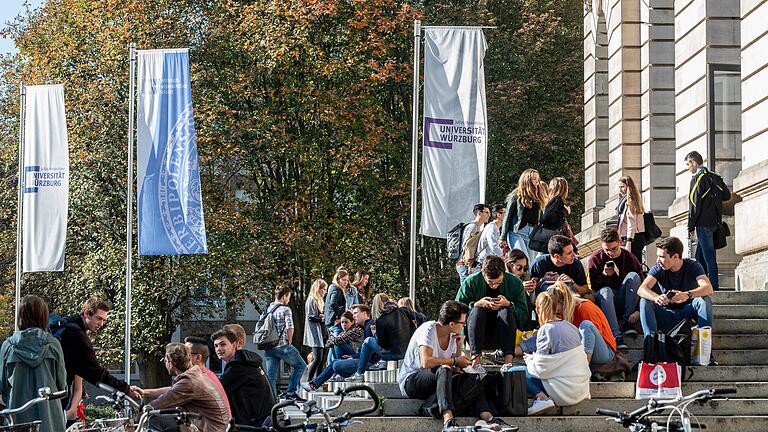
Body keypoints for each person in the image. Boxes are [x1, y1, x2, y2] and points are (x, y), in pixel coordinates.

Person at [398, 300, 517, 432]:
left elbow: (456, 370)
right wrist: (454, 360)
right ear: (451, 324)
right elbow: (426, 362)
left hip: (440, 381)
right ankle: (448, 420)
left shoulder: (453, 336)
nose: (464, 325)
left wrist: (459, 346)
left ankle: (488, 418)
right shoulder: (428, 329)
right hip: (412, 381)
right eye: (462, 323)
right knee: (444, 368)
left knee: (473, 377)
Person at [0, 295, 67, 432]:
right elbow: (62, 386)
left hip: (17, 416)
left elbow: (3, 386)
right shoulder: (53, 344)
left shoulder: (8, 346)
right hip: (49, 417)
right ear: (43, 317)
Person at [57, 296, 138, 398]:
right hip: (57, 393)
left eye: (104, 320)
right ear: (87, 313)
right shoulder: (78, 336)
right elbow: (97, 373)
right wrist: (125, 389)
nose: (101, 324)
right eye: (99, 318)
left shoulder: (66, 324)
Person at [524, 292, 591, 415]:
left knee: (517, 371)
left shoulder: (545, 330)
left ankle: (542, 398)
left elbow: (540, 368)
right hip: (580, 389)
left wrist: (529, 360)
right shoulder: (572, 327)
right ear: (556, 308)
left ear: (538, 310)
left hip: (561, 391)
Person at [455, 255, 529, 367]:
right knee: (478, 309)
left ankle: (508, 360)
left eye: (498, 282)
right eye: (490, 282)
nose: (494, 286)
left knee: (506, 309)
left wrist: (509, 304)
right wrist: (476, 304)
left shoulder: (515, 282)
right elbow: (456, 312)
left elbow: (524, 315)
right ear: (483, 274)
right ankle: (476, 359)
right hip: (477, 331)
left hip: (504, 331)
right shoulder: (470, 282)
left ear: (504, 273)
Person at [137, 343, 229, 432]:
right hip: (214, 426)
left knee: (154, 418)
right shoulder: (194, 375)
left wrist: (141, 413)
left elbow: (164, 401)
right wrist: (143, 392)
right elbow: (172, 390)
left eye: (164, 361)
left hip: (211, 429)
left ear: (170, 364)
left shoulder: (189, 382)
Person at [637, 236, 714, 337]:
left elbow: (708, 288)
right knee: (645, 301)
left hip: (687, 312)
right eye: (658, 256)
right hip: (665, 312)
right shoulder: (658, 267)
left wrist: (688, 294)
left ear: (675, 257)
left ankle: (704, 344)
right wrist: (656, 297)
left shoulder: (693, 266)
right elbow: (642, 289)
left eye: (662, 257)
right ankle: (651, 343)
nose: (658, 260)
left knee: (704, 301)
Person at [588, 227, 644, 349]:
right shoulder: (595, 259)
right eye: (606, 250)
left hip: (626, 298)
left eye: (614, 249)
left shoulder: (629, 258)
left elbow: (642, 285)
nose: (610, 253)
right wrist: (604, 275)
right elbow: (594, 287)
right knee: (606, 291)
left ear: (620, 242)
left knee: (633, 277)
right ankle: (615, 335)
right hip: (606, 299)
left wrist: (638, 309)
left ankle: (626, 323)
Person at [686, 150, 731, 290]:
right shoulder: (715, 177)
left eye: (688, 164)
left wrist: (690, 226)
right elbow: (727, 196)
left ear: (694, 163)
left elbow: (694, 205)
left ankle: (713, 288)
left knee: (709, 258)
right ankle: (699, 284)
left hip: (703, 224)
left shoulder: (697, 179)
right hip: (715, 223)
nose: (688, 168)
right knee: (699, 258)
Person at [213, 328, 275, 427]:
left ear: (234, 345)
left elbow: (215, 390)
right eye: (216, 346)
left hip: (254, 423)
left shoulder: (239, 365)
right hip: (261, 419)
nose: (218, 349)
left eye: (223, 344)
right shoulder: (246, 360)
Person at [345, 300, 416, 381]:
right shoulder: (404, 316)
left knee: (368, 341)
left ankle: (360, 373)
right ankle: (380, 362)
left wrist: (376, 334)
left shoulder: (382, 320)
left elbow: (382, 343)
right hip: (407, 351)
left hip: (393, 354)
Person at [262, 286, 307, 401]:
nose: (289, 300)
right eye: (289, 297)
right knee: (301, 365)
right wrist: (290, 340)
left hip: (269, 346)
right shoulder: (286, 309)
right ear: (284, 295)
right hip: (282, 346)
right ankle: (291, 392)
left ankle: (272, 399)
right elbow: (290, 326)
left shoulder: (270, 308)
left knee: (271, 375)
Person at [501, 168, 548, 261]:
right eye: (534, 179)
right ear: (527, 179)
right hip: (517, 232)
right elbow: (507, 216)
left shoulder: (538, 197)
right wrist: (503, 236)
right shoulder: (516, 195)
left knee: (530, 262)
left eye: (538, 179)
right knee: (522, 258)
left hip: (532, 233)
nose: (537, 181)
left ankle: (527, 276)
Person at [184, 336, 231, 416]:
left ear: (198, 357)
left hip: (212, 428)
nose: (181, 356)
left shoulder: (198, 378)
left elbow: (173, 396)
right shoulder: (208, 374)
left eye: (186, 354)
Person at [455, 203, 491, 283]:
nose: (489, 215)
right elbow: (467, 246)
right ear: (479, 213)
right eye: (487, 212)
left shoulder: (476, 226)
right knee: (466, 290)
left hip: (465, 263)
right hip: (465, 263)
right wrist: (469, 265)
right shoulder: (473, 227)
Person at [616, 176, 647, 261]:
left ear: (628, 186)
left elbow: (631, 223)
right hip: (631, 237)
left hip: (634, 237)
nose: (620, 189)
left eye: (622, 187)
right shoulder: (626, 200)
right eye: (619, 187)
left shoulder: (631, 201)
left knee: (633, 263)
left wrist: (629, 241)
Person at [304, 279, 327, 381]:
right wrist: (322, 318)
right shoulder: (312, 300)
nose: (325, 292)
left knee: (321, 360)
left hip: (322, 333)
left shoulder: (320, 301)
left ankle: (319, 380)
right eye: (324, 289)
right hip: (315, 333)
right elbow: (310, 317)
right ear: (318, 289)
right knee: (317, 359)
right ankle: (309, 380)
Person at [475, 203, 506, 269]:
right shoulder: (492, 228)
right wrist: (505, 257)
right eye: (505, 213)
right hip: (482, 264)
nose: (508, 215)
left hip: (487, 262)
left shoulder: (495, 227)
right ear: (499, 215)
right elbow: (493, 246)